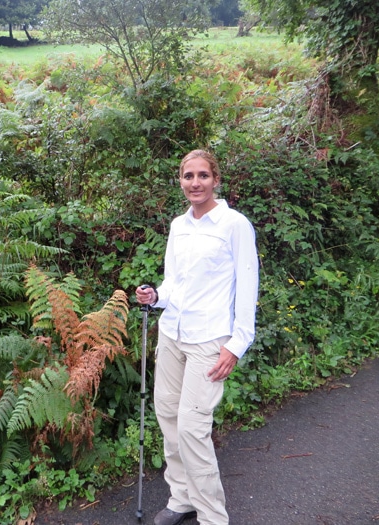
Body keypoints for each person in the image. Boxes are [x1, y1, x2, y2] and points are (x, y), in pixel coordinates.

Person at [135, 150, 259, 525]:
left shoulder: (235, 225)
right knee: (168, 418)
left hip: (210, 340)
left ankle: (212, 517)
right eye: (189, 176)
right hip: (172, 333)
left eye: (203, 175)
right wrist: (156, 296)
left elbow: (247, 286)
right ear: (181, 181)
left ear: (216, 180)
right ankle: (182, 497)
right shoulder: (178, 225)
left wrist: (237, 344)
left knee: (192, 427)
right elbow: (173, 281)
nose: (195, 183)